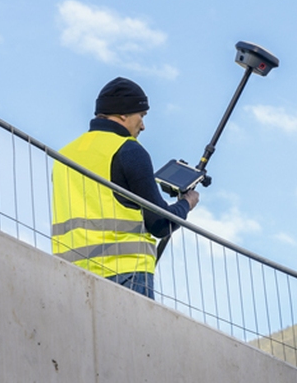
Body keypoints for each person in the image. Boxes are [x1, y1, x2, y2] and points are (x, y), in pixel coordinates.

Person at [51, 77, 199, 299]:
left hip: (68, 274)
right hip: (125, 272)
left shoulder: (64, 155)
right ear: (123, 114)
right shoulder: (129, 150)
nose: (143, 125)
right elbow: (160, 224)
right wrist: (186, 203)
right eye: (141, 116)